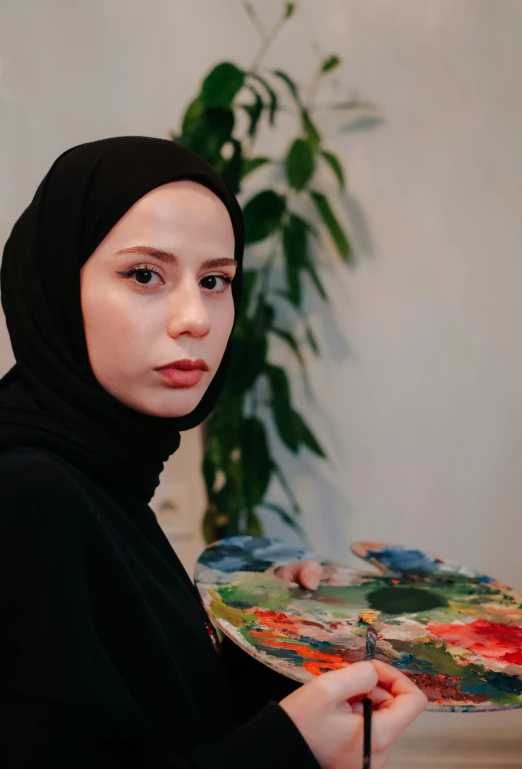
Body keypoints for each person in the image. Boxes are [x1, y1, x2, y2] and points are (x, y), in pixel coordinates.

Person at [0, 136, 427, 768]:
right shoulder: (26, 493)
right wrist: (291, 748)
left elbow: (151, 717)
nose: (195, 317)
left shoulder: (99, 477)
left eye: (216, 280)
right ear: (59, 285)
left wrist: (273, 635)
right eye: (145, 275)